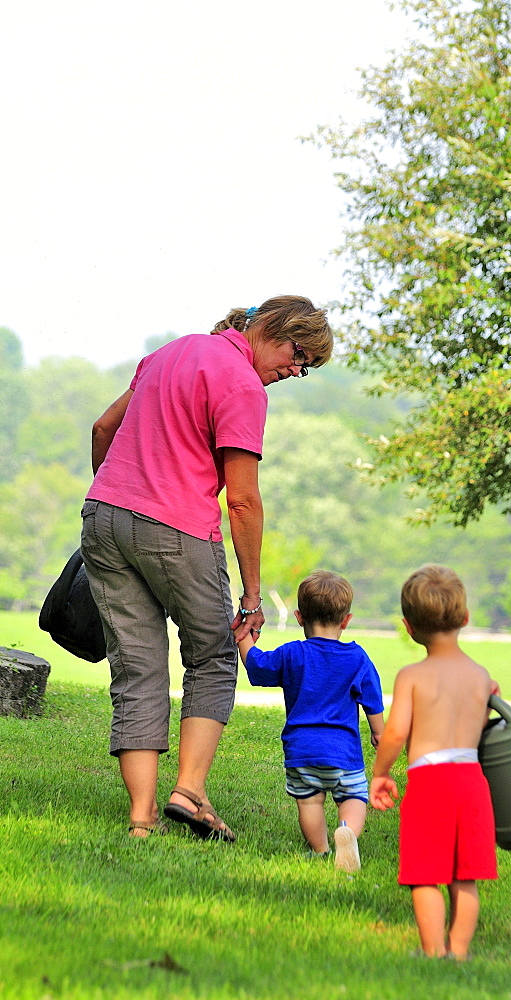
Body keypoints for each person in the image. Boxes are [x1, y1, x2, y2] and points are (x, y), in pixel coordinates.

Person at [80, 296, 333, 838]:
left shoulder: (173, 350)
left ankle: (141, 821)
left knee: (137, 664)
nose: (295, 370)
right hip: (175, 528)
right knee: (215, 653)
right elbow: (241, 502)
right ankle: (188, 792)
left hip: (102, 517)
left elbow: (104, 428)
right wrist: (252, 597)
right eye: (297, 353)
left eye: (306, 366)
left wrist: (117, 492)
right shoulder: (241, 386)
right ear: (268, 329)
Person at [370, 565, 499, 960]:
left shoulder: (412, 675)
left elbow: (394, 733)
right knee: (466, 875)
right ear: (465, 618)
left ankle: (432, 952)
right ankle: (459, 952)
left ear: (409, 627)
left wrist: (380, 773)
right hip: (473, 781)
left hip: (430, 783)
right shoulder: (481, 676)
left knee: (426, 874)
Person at [236, 570, 384, 870]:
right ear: (346, 620)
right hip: (344, 753)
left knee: (310, 802)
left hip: (301, 751)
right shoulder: (357, 658)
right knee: (353, 797)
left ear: (300, 617)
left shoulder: (293, 653)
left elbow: (257, 667)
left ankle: (320, 851)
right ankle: (348, 835)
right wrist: (379, 732)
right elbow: (372, 698)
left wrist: (244, 638)